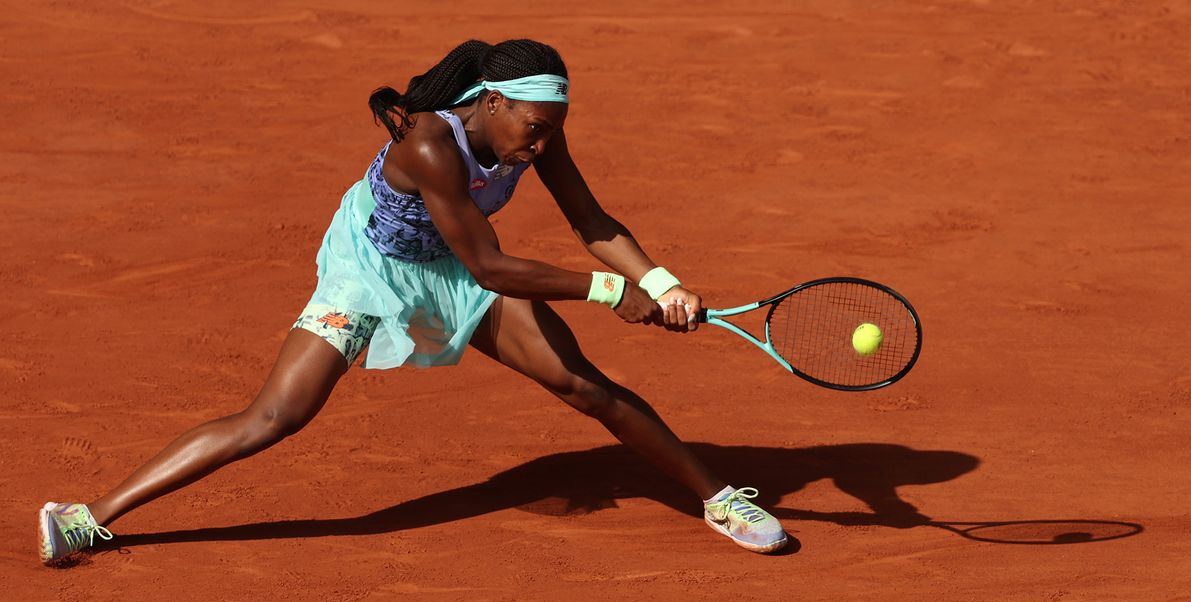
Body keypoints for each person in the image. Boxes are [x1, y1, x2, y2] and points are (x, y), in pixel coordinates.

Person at [37, 39, 788, 564]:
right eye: (533, 128)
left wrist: (659, 282)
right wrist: (609, 289)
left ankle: (719, 498)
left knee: (584, 384)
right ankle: (86, 517)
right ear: (493, 103)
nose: (542, 144)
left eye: (553, 130)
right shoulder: (430, 143)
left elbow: (591, 221)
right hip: (376, 269)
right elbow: (490, 264)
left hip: (456, 266)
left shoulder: (538, 131)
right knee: (275, 415)